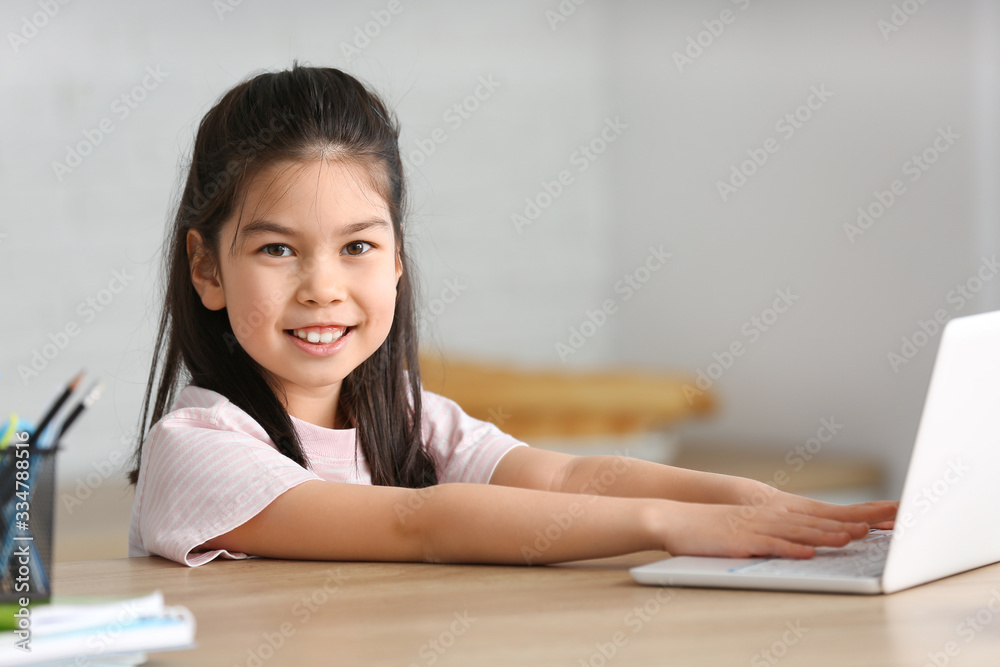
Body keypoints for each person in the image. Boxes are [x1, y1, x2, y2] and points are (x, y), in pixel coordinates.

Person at [127, 64, 896, 568]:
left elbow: (569, 474)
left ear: (398, 257)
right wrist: (667, 525)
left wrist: (750, 500)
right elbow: (417, 524)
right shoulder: (194, 451)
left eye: (357, 245)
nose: (323, 287)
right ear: (206, 268)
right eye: (277, 251)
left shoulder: (404, 417)